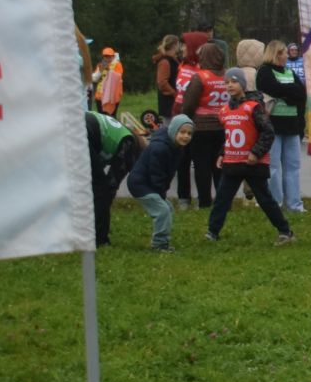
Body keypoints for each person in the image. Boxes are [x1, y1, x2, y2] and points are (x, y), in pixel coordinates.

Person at [204, 69, 298, 246]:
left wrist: (256, 152)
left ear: (243, 84)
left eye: (234, 81)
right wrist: (222, 153)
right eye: (226, 82)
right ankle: (212, 231)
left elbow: (268, 132)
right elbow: (229, 135)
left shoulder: (254, 107)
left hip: (252, 163)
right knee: (222, 199)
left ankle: (285, 231)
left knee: (265, 199)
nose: (230, 85)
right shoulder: (224, 111)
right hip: (232, 162)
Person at [127, 113, 192, 252]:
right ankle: (159, 244)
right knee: (162, 211)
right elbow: (157, 173)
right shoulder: (160, 148)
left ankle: (162, 241)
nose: (186, 136)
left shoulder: (177, 147)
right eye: (182, 132)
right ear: (174, 131)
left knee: (167, 208)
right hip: (140, 184)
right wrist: (161, 192)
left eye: (189, 133)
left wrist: (161, 191)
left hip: (150, 184)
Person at [257, 39, 308, 214]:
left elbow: (301, 93)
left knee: (293, 165)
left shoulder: (289, 71)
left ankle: (294, 204)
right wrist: (289, 92)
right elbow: (270, 87)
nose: (288, 55)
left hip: (292, 125)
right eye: (285, 52)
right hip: (273, 125)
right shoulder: (264, 71)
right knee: (273, 166)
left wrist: (285, 93)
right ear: (277, 54)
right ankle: (276, 203)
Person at [178, 41, 231, 209]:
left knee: (202, 167)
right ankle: (223, 200)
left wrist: (186, 118)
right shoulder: (227, 76)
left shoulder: (199, 77)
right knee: (220, 166)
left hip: (201, 127)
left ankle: (204, 202)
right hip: (223, 127)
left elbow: (188, 104)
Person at [84, 109, 142, 247]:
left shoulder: (118, 134)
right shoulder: (129, 145)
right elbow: (109, 186)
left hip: (75, 124)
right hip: (82, 132)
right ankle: (100, 239)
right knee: (102, 190)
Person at [151, 36, 182, 121]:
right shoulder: (165, 62)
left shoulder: (175, 59)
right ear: (174, 45)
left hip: (174, 101)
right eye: (178, 44)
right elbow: (162, 82)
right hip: (169, 102)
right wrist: (175, 94)